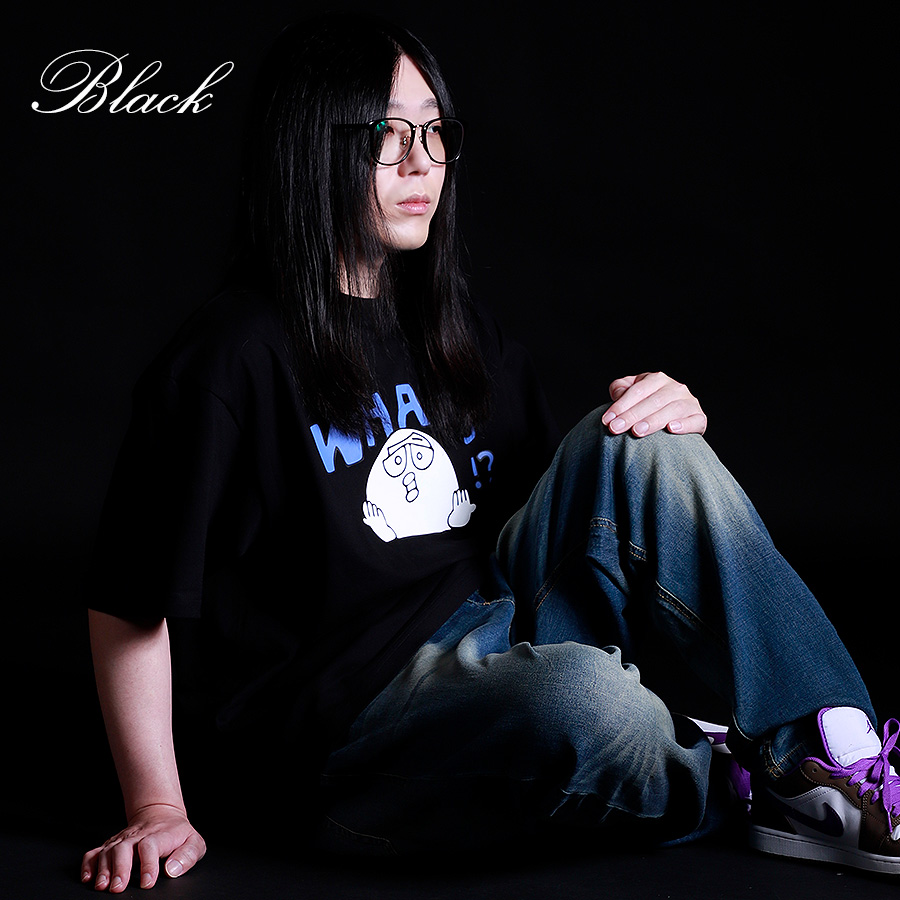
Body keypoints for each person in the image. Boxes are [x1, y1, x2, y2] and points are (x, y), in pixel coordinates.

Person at [80, 12, 898, 893]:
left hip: (500, 632)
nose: (421, 162)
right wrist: (156, 804)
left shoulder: (456, 329)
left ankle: (833, 762)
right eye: (386, 134)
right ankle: (732, 780)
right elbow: (127, 599)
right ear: (310, 146)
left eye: (434, 131)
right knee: (587, 702)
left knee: (647, 442)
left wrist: (663, 426)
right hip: (353, 728)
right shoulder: (229, 358)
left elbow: (566, 527)